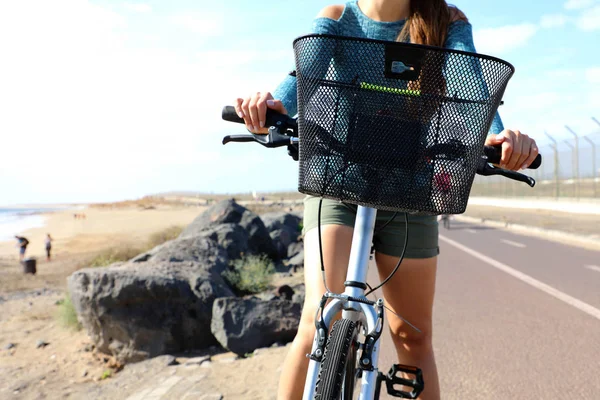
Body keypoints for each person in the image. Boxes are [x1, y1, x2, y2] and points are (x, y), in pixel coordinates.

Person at [234, 1, 539, 399]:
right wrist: (270, 106)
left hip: (410, 191)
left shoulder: (444, 21)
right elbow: (302, 78)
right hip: (337, 183)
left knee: (412, 337)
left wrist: (495, 136)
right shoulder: (338, 17)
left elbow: (473, 88)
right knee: (318, 318)